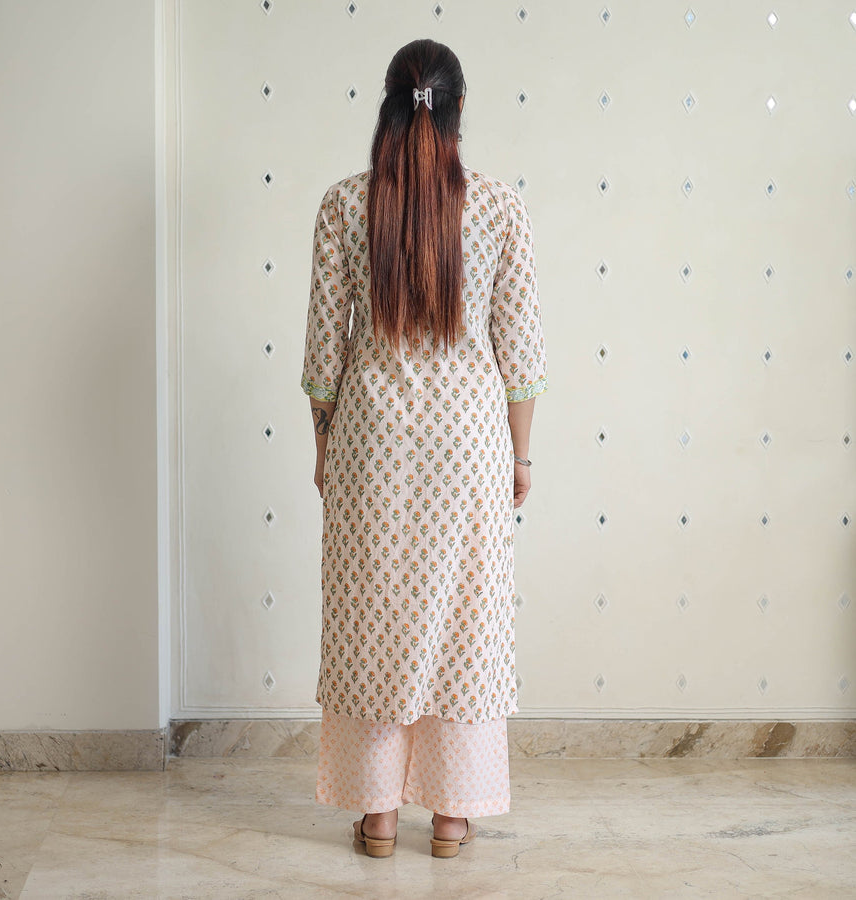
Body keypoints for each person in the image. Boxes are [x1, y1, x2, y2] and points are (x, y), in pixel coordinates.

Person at [300, 37, 548, 859]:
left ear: (387, 104)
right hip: (469, 449)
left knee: (372, 619)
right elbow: (521, 353)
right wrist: (520, 457)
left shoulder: (343, 206)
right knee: (464, 627)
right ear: (459, 109)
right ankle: (450, 816)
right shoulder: (500, 208)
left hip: (372, 446)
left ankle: (376, 816)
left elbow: (323, 355)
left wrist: (324, 449)